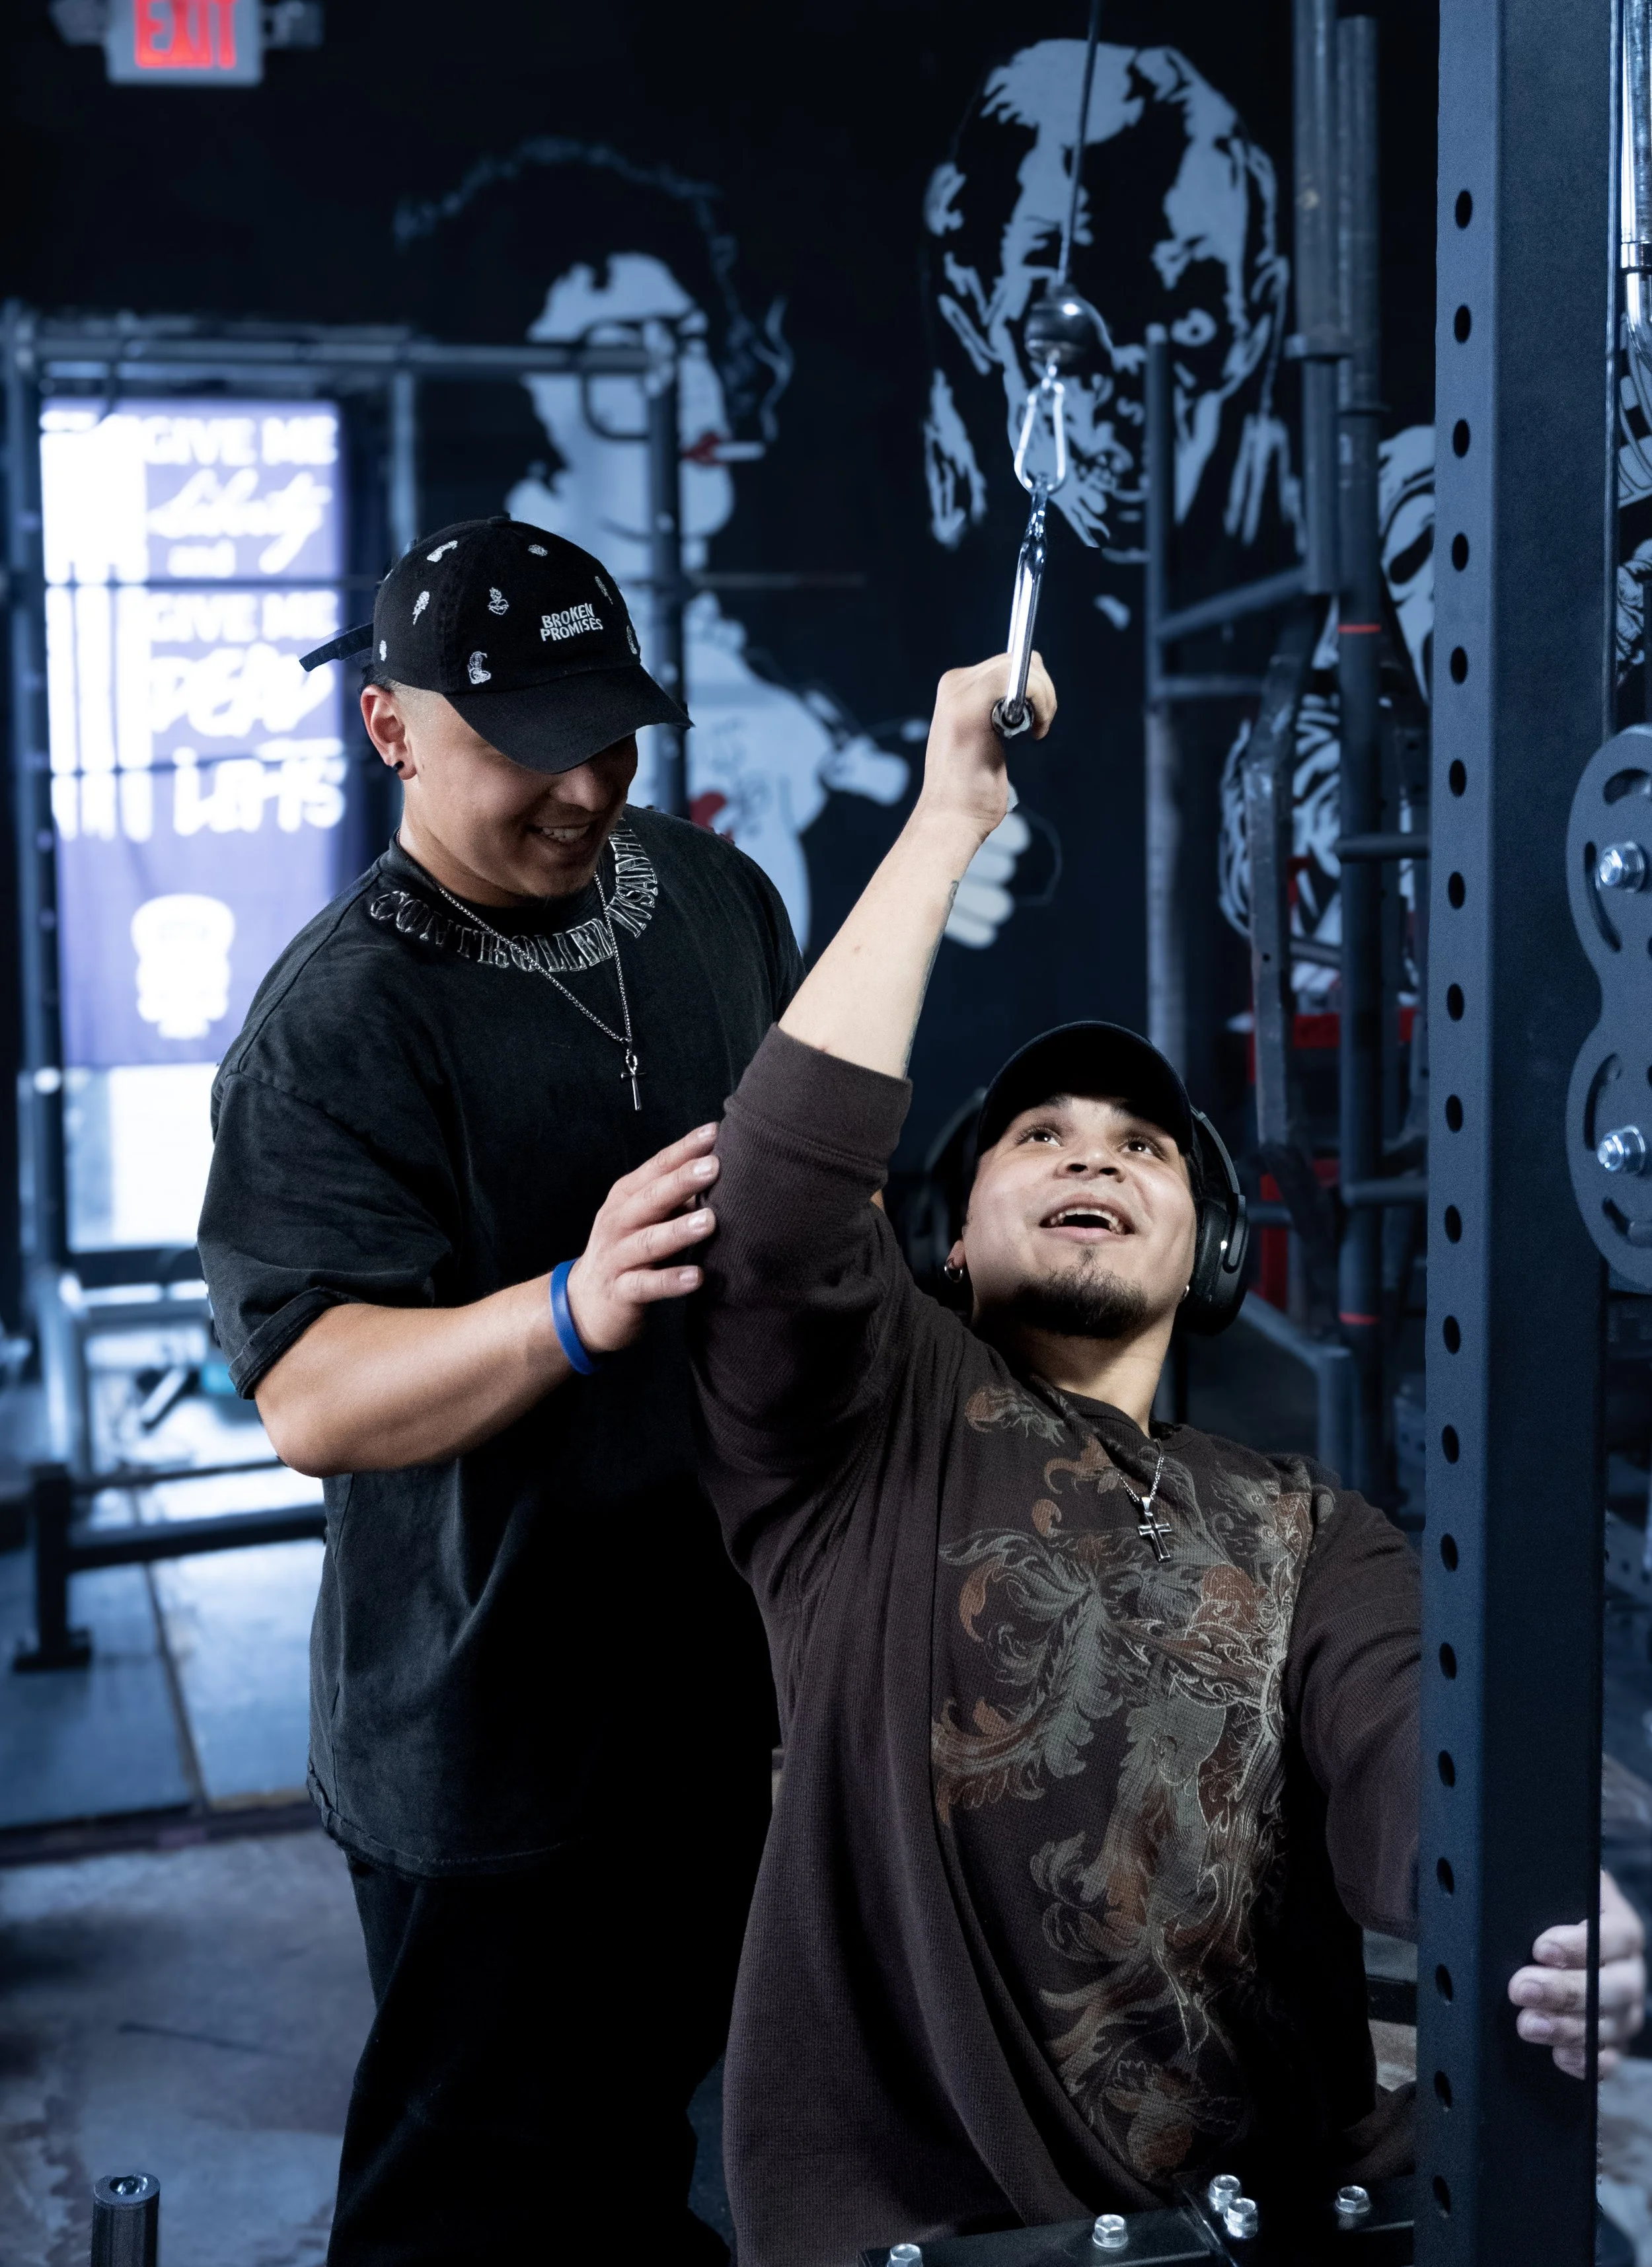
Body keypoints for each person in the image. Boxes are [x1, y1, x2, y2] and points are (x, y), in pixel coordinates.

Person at [687, 651, 1647, 2265]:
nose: (1094, 1157)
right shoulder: (865, 1429)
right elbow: (777, 1207)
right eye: (1039, 1136)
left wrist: (1548, 1906)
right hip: (946, 2236)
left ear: (1205, 1251)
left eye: (1142, 1148)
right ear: (946, 1234)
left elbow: (1409, 1719)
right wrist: (944, 821)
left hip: (1278, 2217)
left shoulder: (1300, 1522)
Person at [195, 515, 802, 2264]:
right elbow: (313, 1391)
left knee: (660, 2164)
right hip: (487, 1736)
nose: (587, 785)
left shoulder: (706, 894)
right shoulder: (343, 1021)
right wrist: (569, 1302)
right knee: (466, 2223)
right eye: (528, 748)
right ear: (390, 731)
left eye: (613, 734)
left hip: (710, 1687)